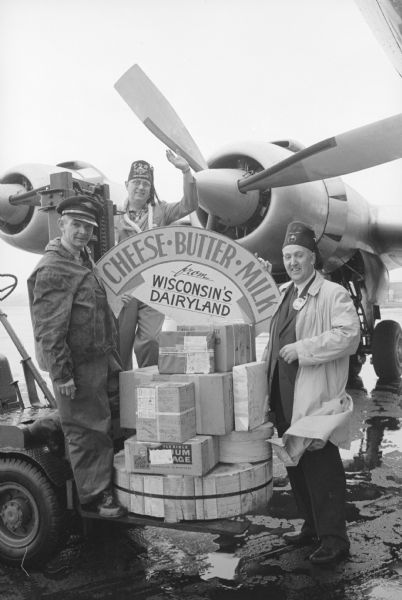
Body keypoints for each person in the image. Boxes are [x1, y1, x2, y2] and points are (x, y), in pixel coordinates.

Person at [263, 221, 360, 565]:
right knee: (295, 466)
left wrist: (304, 348)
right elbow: (271, 340)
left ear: (312, 257)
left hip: (313, 398)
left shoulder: (333, 293)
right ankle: (311, 526)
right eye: (287, 256)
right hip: (283, 396)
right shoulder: (284, 292)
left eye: (299, 255)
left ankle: (335, 539)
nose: (292, 262)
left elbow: (349, 335)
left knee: (321, 469)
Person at [28, 196, 126, 518]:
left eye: (88, 227)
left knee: (110, 418)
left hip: (99, 358)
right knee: (87, 430)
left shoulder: (81, 259)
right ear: (62, 225)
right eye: (77, 225)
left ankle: (106, 480)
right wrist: (63, 374)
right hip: (77, 366)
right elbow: (49, 329)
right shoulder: (54, 268)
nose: (83, 231)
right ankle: (96, 497)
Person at [116, 149, 198, 370]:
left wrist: (186, 171)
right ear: (126, 184)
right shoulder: (114, 216)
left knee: (151, 340)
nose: (141, 187)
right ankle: (119, 396)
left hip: (154, 288)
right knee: (119, 346)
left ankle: (148, 383)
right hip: (124, 290)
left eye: (146, 183)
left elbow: (189, 205)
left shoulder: (161, 211)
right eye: (136, 182)